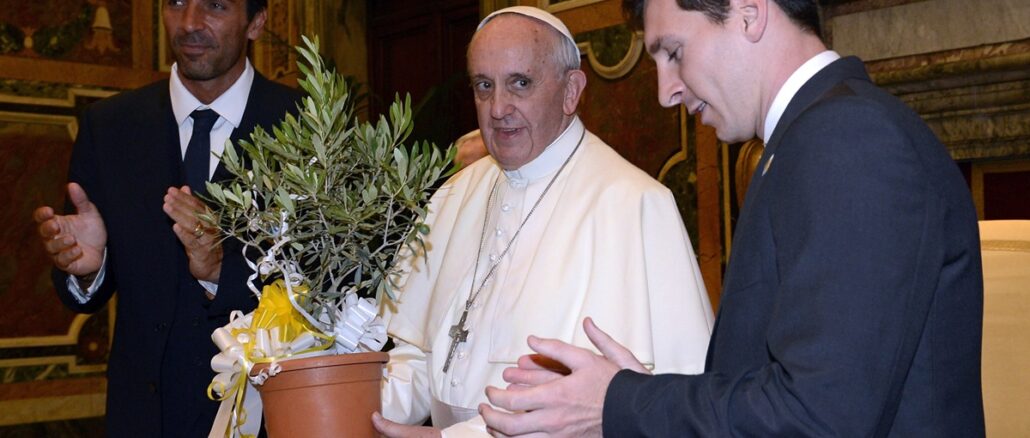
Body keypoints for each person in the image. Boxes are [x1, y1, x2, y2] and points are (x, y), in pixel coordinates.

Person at [480, 0, 985, 436]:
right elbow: (775, 385)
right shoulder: (808, 139)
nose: (666, 92)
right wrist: (641, 398)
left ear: (748, 13)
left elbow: (821, 418)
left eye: (674, 53)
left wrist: (618, 405)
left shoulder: (848, 139)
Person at [369, 6, 714, 438]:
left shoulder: (635, 204)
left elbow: (630, 406)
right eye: (483, 85)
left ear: (571, 90)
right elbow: (418, 357)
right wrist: (360, 415)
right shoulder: (452, 198)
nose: (497, 108)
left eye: (521, 83)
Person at [31, 0, 301, 435]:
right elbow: (88, 288)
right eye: (176, 3)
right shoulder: (110, 126)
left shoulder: (307, 127)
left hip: (268, 417)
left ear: (256, 22)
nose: (190, 23)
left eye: (214, 5)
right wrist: (89, 270)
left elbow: (333, 295)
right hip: (142, 418)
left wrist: (221, 270)